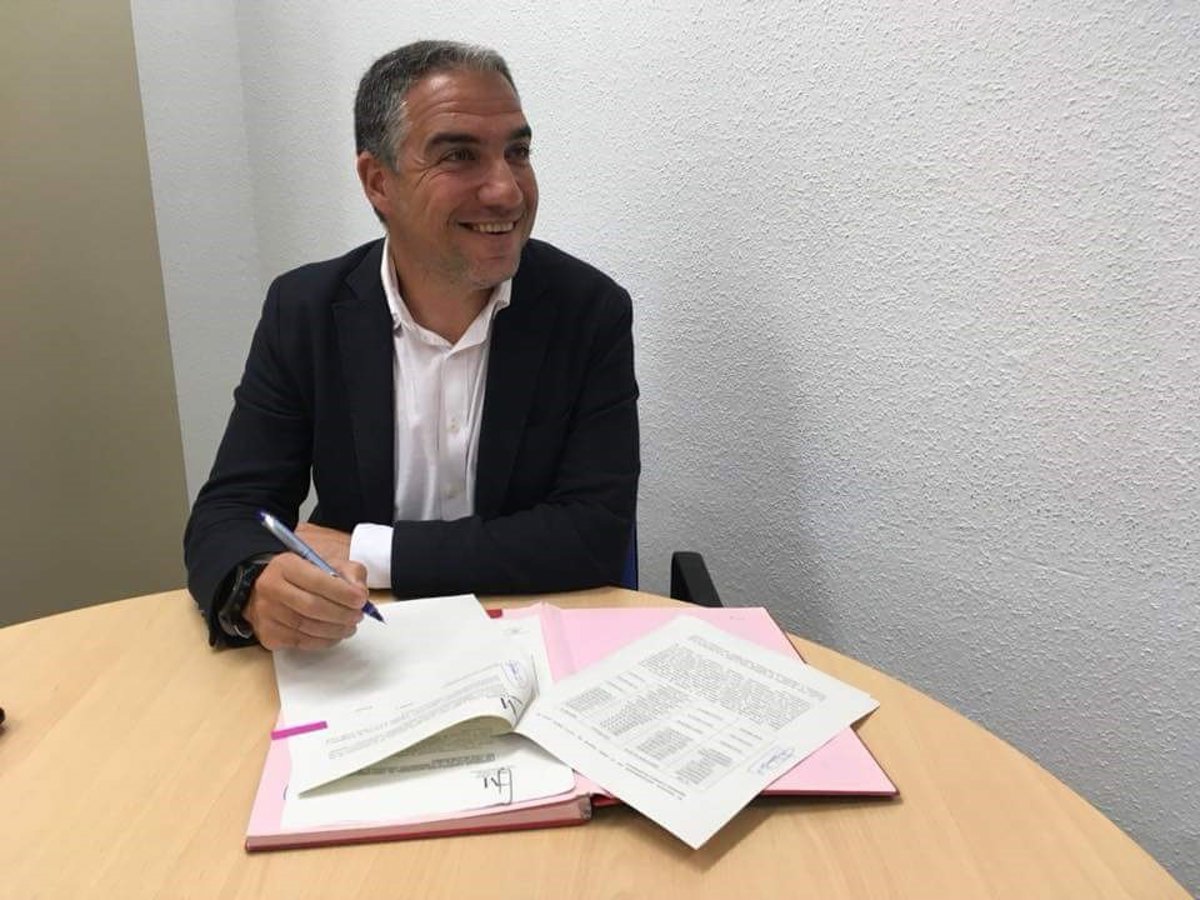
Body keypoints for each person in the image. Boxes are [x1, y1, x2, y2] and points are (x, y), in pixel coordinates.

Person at [184, 41, 639, 651]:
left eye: (517, 152)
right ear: (379, 182)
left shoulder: (588, 311)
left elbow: (592, 534)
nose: (506, 190)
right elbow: (229, 513)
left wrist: (371, 550)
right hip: (358, 647)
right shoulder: (305, 310)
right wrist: (253, 590)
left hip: (532, 641)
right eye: (459, 156)